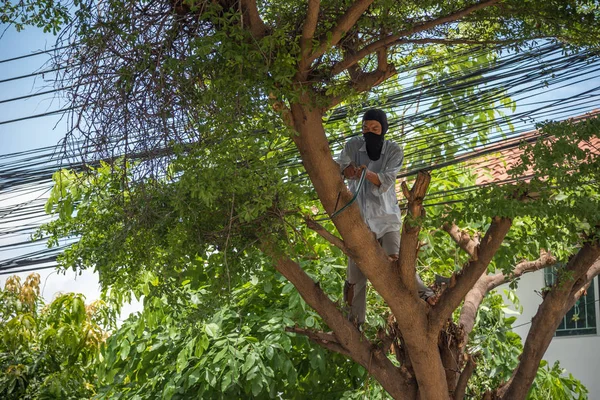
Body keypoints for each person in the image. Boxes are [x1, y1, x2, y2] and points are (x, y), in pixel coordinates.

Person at [337, 108, 435, 327]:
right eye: (365, 128)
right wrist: (348, 172)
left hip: (387, 219)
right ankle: (353, 325)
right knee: (355, 279)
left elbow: (387, 180)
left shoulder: (393, 150)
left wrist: (365, 173)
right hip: (359, 223)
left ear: (383, 129)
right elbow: (340, 167)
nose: (369, 133)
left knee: (397, 264)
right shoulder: (353, 146)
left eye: (375, 129)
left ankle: (427, 295)